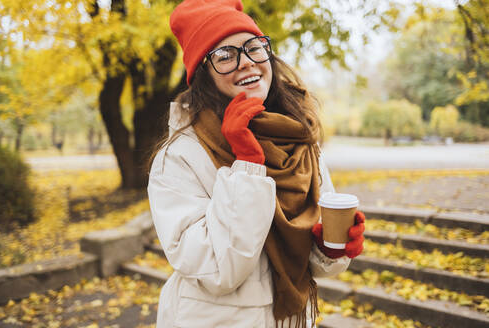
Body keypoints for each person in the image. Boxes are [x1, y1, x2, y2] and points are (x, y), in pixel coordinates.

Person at [147, 0, 365, 327]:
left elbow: (311, 265)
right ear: (203, 75)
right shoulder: (178, 157)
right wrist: (248, 166)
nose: (246, 62)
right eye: (225, 56)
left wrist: (329, 249)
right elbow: (219, 270)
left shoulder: (299, 139)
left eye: (253, 47)